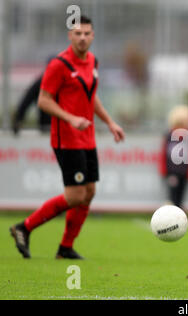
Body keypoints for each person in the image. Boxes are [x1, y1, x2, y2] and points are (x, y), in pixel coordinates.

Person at [9, 15, 125, 259]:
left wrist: (110, 122)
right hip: (67, 139)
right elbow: (43, 100)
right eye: (77, 33)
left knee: (89, 191)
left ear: (92, 36)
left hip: (88, 138)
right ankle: (24, 227)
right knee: (75, 195)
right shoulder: (59, 65)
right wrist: (70, 118)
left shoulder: (93, 61)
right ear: (70, 36)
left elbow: (90, 97)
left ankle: (65, 247)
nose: (82, 38)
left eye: (87, 33)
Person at [158, 105, 188, 209]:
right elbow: (164, 153)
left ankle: (179, 219)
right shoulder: (169, 134)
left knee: (180, 199)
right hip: (172, 171)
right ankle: (170, 218)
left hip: (184, 171)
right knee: (172, 197)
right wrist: (164, 170)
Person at [12, 56, 55, 135]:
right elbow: (26, 101)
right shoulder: (41, 82)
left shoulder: (65, 81)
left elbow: (25, 101)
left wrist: (18, 119)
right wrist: (18, 119)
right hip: (48, 128)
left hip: (52, 127)